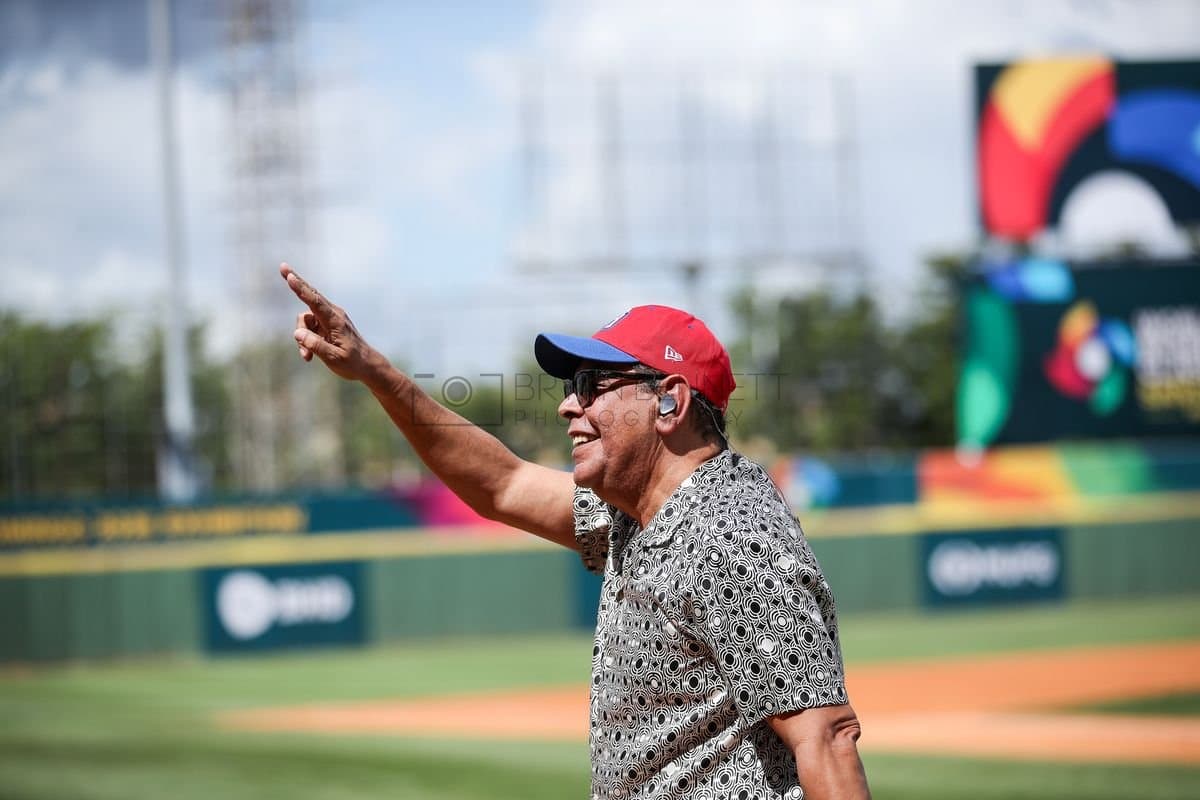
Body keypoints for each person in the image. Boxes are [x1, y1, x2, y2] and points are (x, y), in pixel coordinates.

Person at [280, 262, 871, 800]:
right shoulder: (636, 512)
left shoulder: (733, 536)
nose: (568, 407)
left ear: (670, 404)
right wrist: (374, 372)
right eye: (570, 389)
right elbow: (501, 485)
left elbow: (827, 741)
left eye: (592, 387)